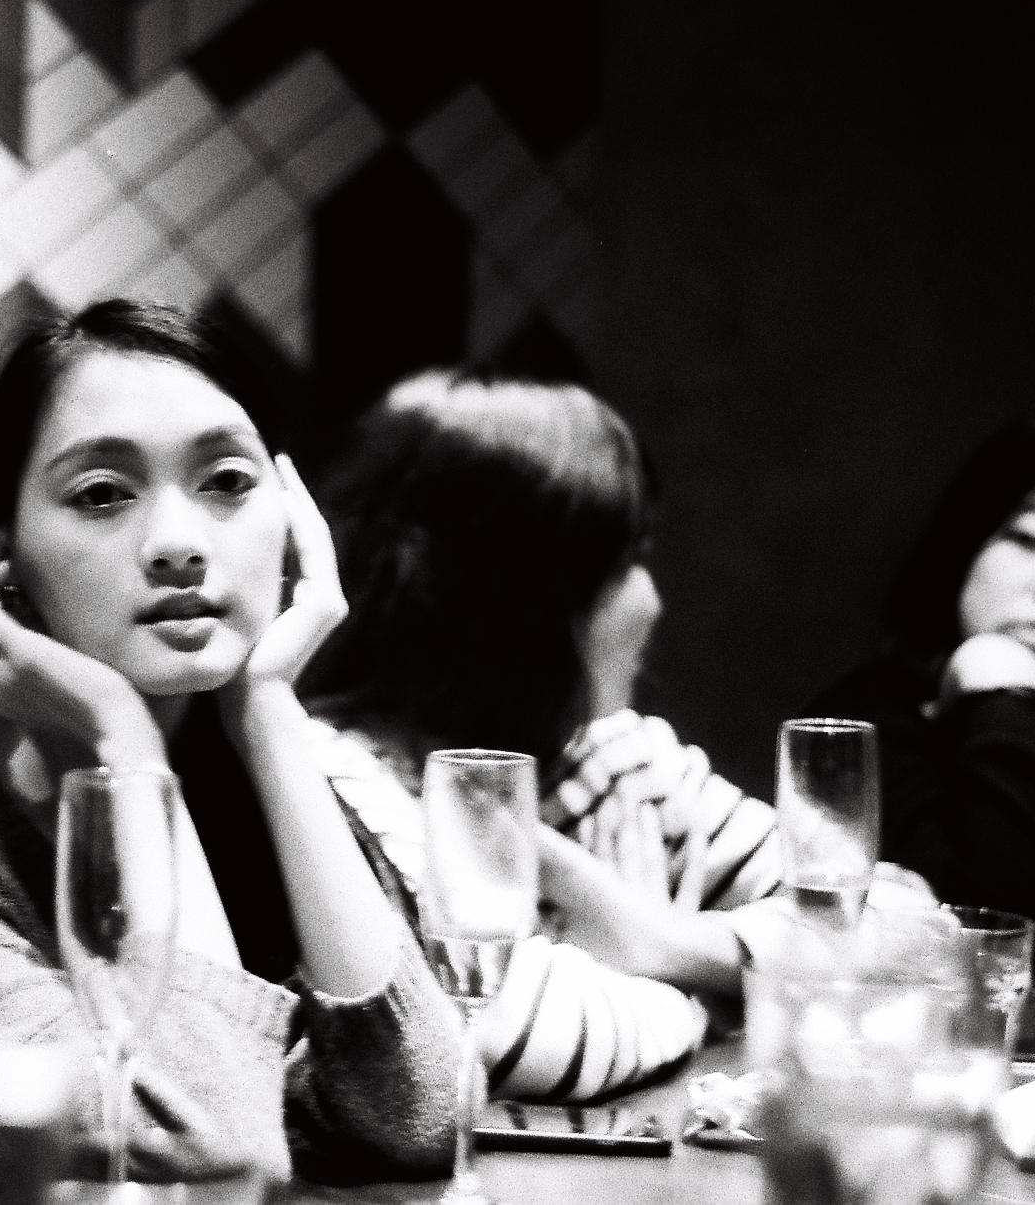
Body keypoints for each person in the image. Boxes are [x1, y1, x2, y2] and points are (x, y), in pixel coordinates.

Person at [0, 301, 459, 1185]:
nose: (178, 544)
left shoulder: (257, 781)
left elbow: (418, 1117)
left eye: (228, 481)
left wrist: (267, 710)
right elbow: (208, 1157)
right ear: (4, 553)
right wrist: (124, 744)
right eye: (103, 494)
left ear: (295, 521)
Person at [301, 373, 843, 1097]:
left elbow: (884, 919)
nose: (653, 600)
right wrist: (716, 992)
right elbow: (502, 1031)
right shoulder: (342, 780)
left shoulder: (619, 759)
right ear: (518, 604)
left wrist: (664, 942)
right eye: (627, 563)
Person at [809, 402, 1035, 973]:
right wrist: (1003, 693)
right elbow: (1000, 944)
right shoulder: (861, 728)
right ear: (964, 544)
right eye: (1031, 537)